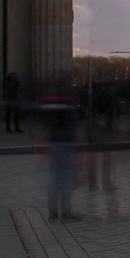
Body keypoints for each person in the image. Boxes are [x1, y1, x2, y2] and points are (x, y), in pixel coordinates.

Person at [41, 90, 81, 221]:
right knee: (65, 179)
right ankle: (66, 211)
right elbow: (73, 122)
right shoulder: (67, 106)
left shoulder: (51, 106)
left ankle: (52, 213)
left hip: (54, 143)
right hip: (65, 143)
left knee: (54, 178)